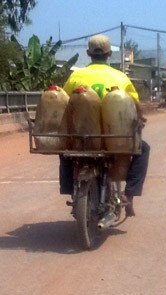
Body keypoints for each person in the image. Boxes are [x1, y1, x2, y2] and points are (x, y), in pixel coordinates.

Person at [60, 34, 151, 217]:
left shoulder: (76, 76)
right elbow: (135, 106)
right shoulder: (120, 77)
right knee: (144, 149)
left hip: (84, 137)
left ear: (88, 53)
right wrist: (140, 120)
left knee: (64, 150)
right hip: (113, 138)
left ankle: (70, 188)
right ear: (109, 53)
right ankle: (129, 194)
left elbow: (64, 103)